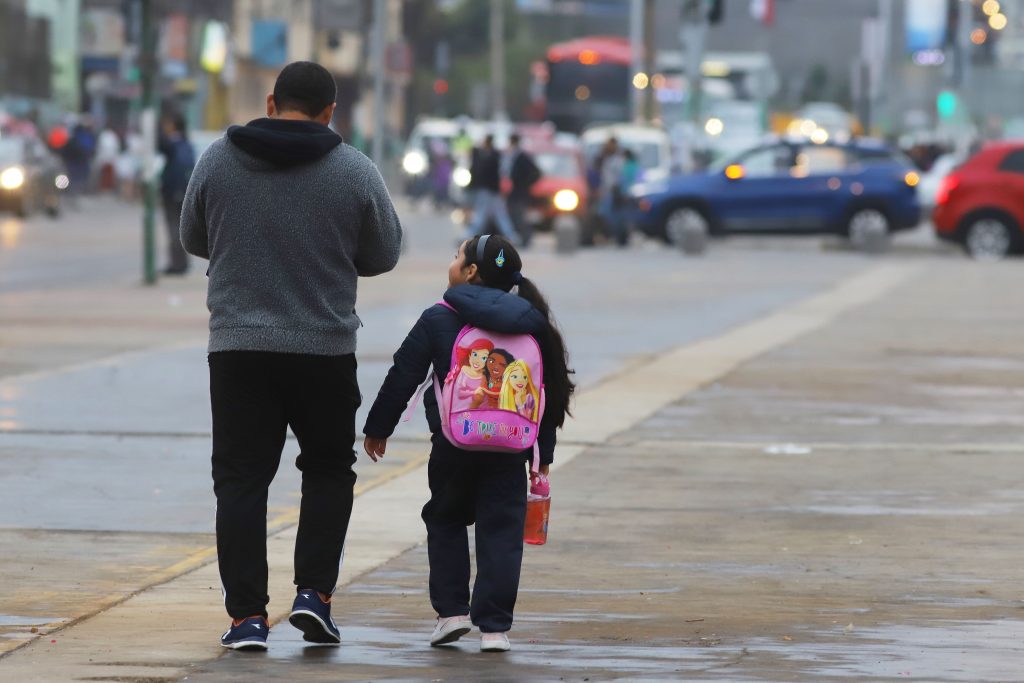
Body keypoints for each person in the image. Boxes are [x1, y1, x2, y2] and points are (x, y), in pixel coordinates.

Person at [180, 61, 403, 651]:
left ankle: (246, 619)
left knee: (241, 480)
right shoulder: (353, 169)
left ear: (272, 101)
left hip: (237, 348)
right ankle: (314, 597)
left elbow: (193, 238)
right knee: (328, 470)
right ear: (331, 111)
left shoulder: (218, 158)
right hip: (324, 349)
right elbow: (384, 253)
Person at [362, 234, 575, 653]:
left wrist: (378, 426)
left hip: (453, 446)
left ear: (471, 271)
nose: (453, 262)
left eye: (456, 256)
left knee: (445, 520)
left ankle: (452, 614)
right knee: (501, 531)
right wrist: (542, 456)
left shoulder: (440, 316)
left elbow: (403, 373)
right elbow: (546, 392)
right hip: (511, 448)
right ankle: (495, 630)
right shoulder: (531, 321)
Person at [464, 134, 520, 243]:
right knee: (499, 215)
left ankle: (469, 235)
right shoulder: (494, 155)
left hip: (489, 191)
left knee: (483, 214)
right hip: (493, 191)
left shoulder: (490, 156)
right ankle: (512, 236)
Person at [158, 113, 195, 275]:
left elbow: (179, 170)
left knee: (175, 229)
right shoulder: (185, 144)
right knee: (179, 229)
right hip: (181, 192)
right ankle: (181, 263)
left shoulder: (175, 145)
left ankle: (177, 264)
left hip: (175, 193)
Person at [504, 133, 542, 247]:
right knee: (513, 214)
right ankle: (519, 237)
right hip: (515, 191)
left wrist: (526, 183)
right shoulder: (513, 156)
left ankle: (526, 238)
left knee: (520, 215)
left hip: (520, 192)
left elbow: (536, 172)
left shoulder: (522, 157)